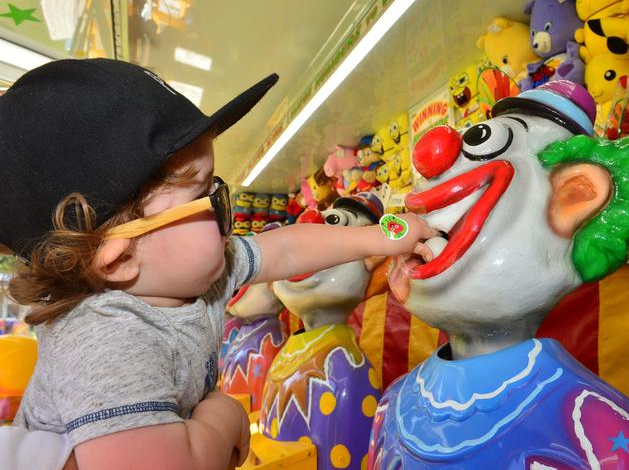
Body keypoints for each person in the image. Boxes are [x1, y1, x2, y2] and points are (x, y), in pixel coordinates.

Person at [0, 58, 437, 470]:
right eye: (205, 197)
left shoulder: (188, 274)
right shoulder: (108, 339)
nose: (224, 212)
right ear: (120, 257)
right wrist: (220, 415)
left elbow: (284, 250)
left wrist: (381, 236)